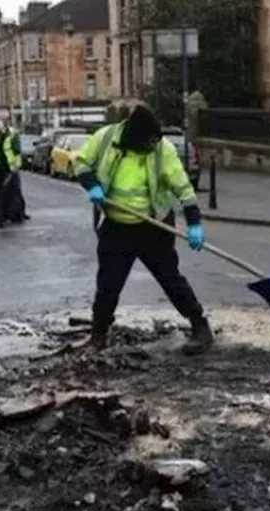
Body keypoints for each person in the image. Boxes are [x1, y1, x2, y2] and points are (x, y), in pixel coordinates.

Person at [74, 104, 213, 356]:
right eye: (147, 142)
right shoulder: (106, 138)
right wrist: (91, 185)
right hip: (116, 226)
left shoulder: (162, 149)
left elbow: (183, 189)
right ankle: (98, 335)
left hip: (153, 226)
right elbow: (80, 161)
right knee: (108, 284)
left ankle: (200, 326)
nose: (151, 145)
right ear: (133, 137)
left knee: (170, 279)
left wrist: (194, 223)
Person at [0, 120, 28, 223]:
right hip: (5, 167)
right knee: (9, 192)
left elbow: (16, 150)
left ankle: (17, 214)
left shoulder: (12, 134)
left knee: (14, 191)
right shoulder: (0, 136)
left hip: (12, 167)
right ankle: (11, 213)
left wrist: (15, 166)